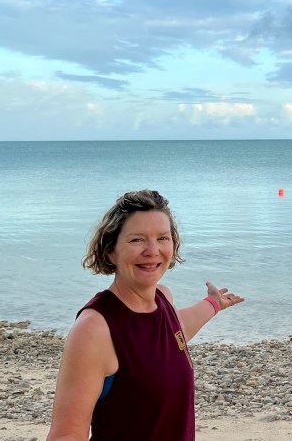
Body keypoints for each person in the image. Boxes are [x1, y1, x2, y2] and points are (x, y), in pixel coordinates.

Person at [46, 189, 244, 441]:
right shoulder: (95, 328)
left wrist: (213, 304)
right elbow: (66, 434)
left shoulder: (163, 300)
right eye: (137, 240)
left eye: (162, 238)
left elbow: (173, 333)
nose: (152, 250)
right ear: (111, 251)